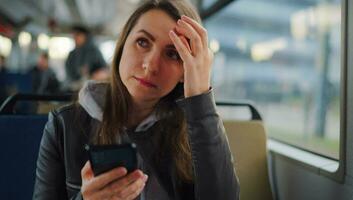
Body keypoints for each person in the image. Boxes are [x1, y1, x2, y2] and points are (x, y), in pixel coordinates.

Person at [33, 0, 239, 199]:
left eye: (173, 54)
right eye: (142, 42)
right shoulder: (64, 126)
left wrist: (200, 97)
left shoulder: (197, 129)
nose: (151, 65)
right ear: (122, 46)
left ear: (185, 70)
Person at [64, 25, 107, 91]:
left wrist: (96, 75)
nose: (75, 38)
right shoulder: (72, 54)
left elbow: (104, 69)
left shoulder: (94, 51)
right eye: (74, 35)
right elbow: (68, 73)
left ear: (85, 36)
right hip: (74, 88)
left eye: (78, 35)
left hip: (92, 88)